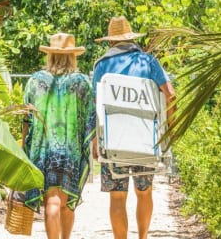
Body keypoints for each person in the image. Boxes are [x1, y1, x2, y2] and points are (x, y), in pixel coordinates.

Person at [92, 16, 176, 239]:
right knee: (144, 192)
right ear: (131, 39)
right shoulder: (148, 61)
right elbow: (171, 95)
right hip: (145, 139)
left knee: (117, 197)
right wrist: (170, 129)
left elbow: (97, 106)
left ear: (111, 41)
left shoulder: (101, 66)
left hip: (113, 141)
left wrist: (95, 141)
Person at [22, 33, 95, 239]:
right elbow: (90, 117)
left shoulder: (36, 81)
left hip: (43, 150)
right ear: (73, 56)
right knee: (66, 202)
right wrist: (92, 145)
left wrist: (24, 145)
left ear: (50, 55)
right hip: (70, 151)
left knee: (51, 203)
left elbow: (26, 118)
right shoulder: (82, 82)